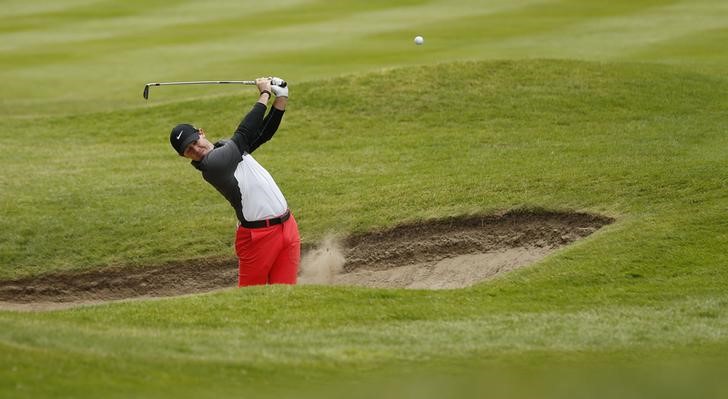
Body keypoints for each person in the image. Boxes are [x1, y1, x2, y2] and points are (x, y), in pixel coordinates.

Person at [169, 77, 299, 287]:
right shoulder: (212, 165)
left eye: (195, 141)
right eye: (188, 150)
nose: (195, 149)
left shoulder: (226, 148)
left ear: (201, 133)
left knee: (286, 294)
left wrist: (282, 97)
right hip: (258, 237)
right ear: (184, 157)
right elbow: (245, 132)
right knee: (251, 301)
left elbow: (263, 133)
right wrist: (264, 94)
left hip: (287, 226)